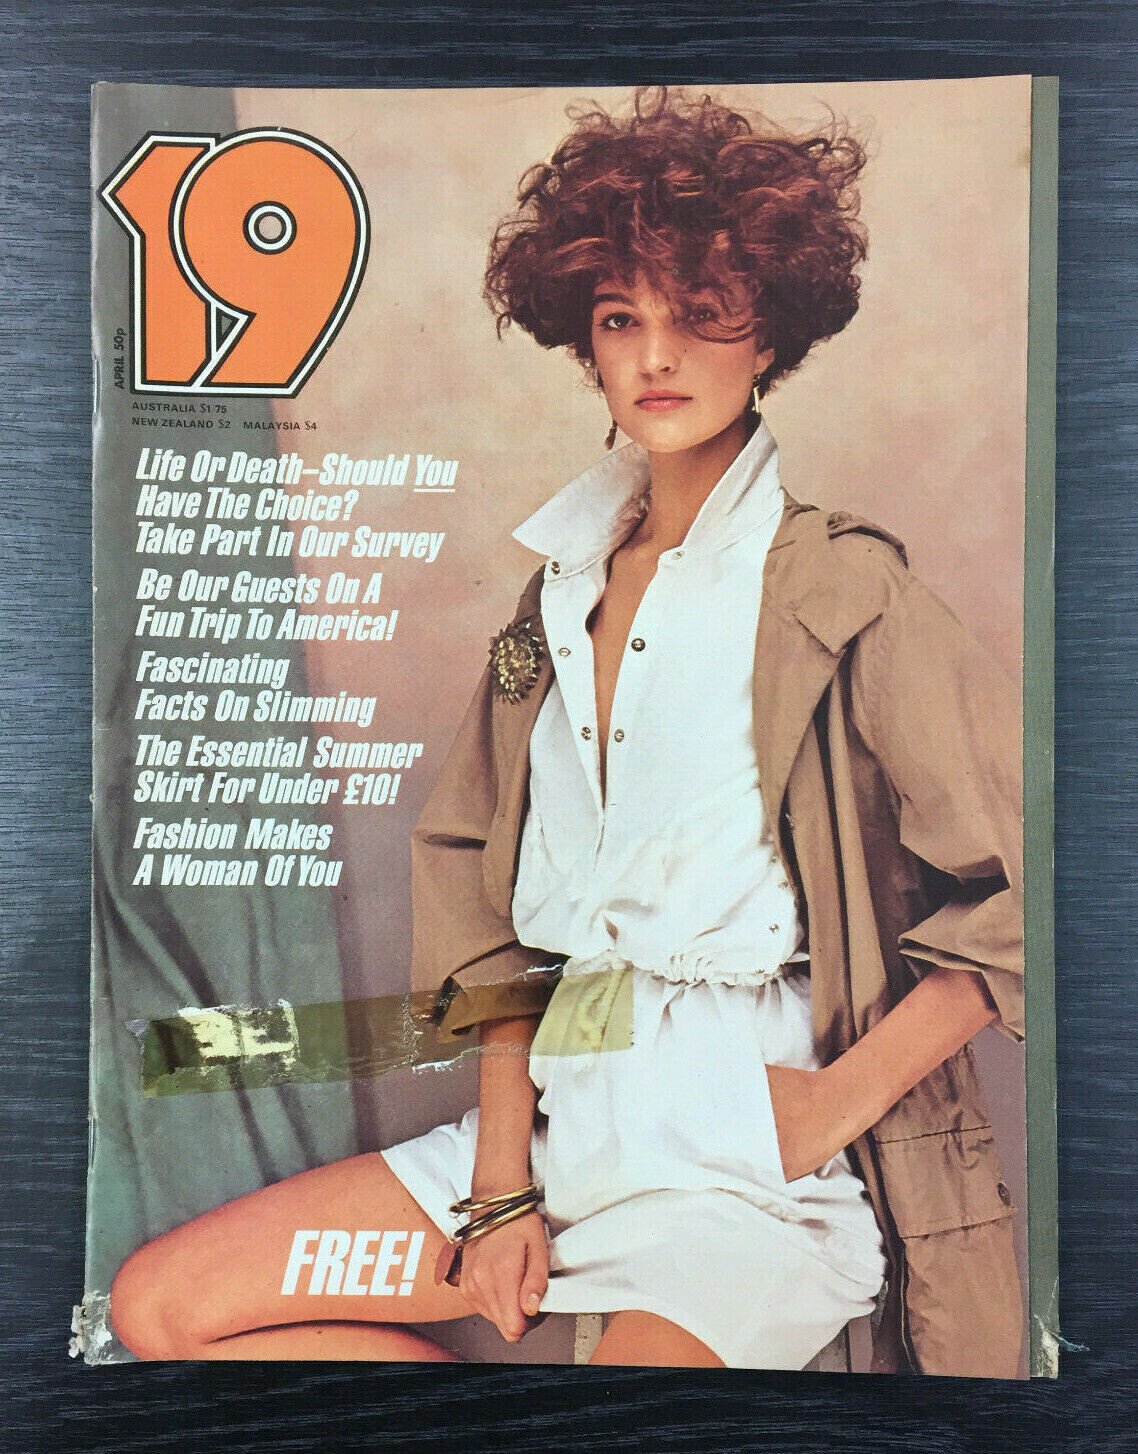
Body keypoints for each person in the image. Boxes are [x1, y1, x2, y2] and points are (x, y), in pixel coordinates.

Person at [109, 88, 1025, 1373]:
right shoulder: (551, 599)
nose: (657, 356)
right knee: (163, 1305)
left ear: (769, 329)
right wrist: (498, 1185)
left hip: (738, 1175)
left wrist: (828, 1106)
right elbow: (493, 923)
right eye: (620, 318)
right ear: (583, 339)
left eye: (700, 312)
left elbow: (1036, 881)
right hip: (549, 1132)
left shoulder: (840, 589)